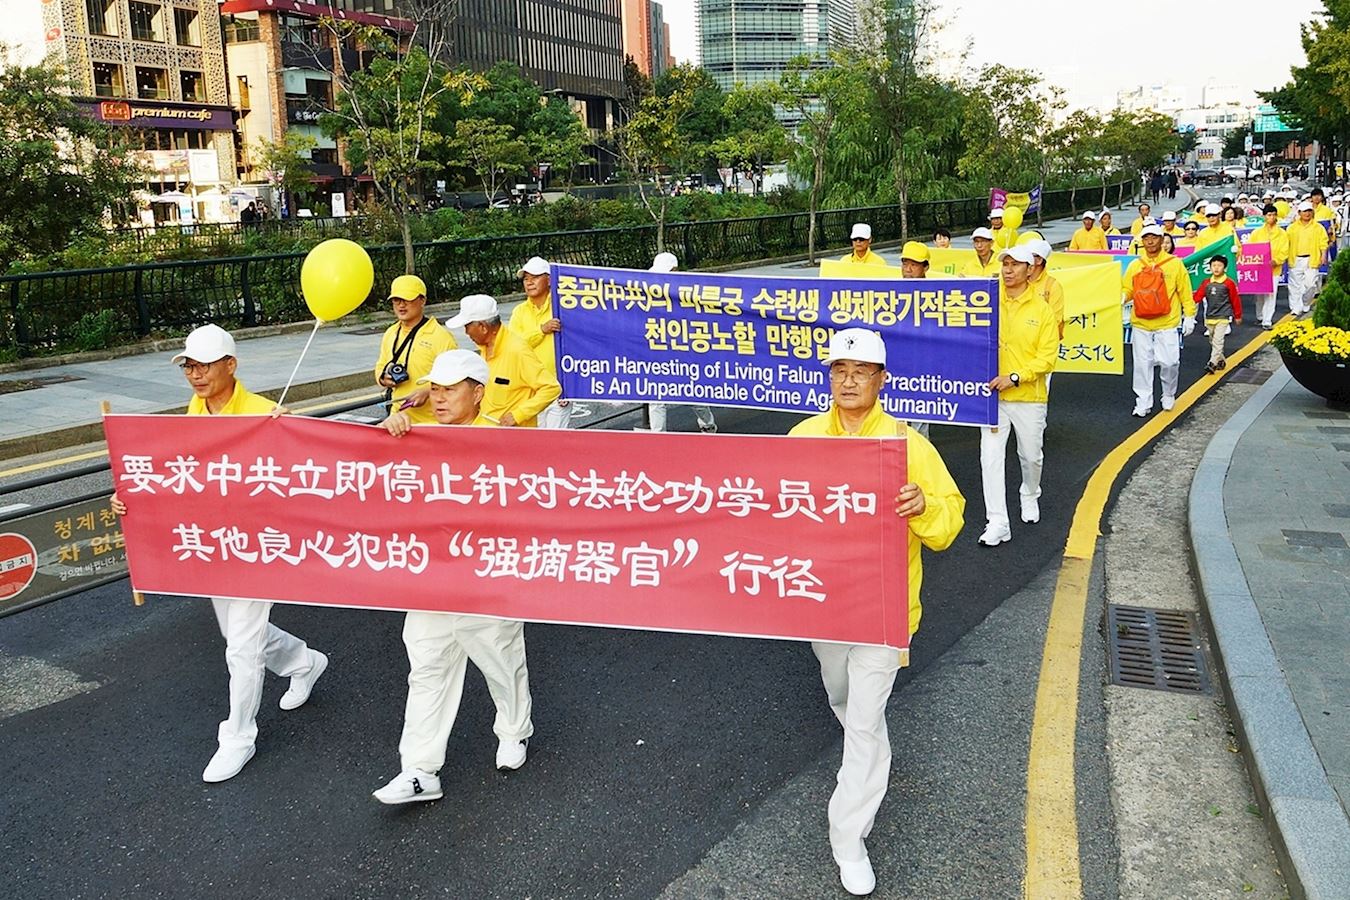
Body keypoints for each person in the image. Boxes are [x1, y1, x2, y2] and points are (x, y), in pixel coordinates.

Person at [109, 325, 327, 783]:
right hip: (214, 547)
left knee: (242, 649)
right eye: (189, 365)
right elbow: (171, 479)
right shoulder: (186, 421)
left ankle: (238, 738)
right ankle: (304, 661)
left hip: (259, 548)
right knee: (237, 635)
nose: (196, 374)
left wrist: (293, 434)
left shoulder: (267, 413)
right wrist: (130, 497)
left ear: (231, 364)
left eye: (205, 365)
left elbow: (307, 478)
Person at [789, 327, 964, 896]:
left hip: (884, 609)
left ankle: (849, 837)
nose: (848, 381)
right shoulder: (803, 437)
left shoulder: (907, 445)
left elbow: (949, 523)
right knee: (843, 698)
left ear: (881, 380)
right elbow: (769, 509)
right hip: (823, 602)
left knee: (864, 723)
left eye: (860, 372)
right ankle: (863, 738)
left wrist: (924, 505)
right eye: (839, 370)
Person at [372, 349, 535, 804]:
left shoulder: (504, 441)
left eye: (450, 390)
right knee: (427, 668)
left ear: (477, 393)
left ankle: (514, 731)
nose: (439, 398)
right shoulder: (416, 437)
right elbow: (365, 472)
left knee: (501, 660)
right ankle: (420, 769)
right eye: (436, 389)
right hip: (431, 580)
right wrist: (389, 433)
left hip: (487, 578)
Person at [977, 246, 1058, 546]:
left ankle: (1030, 493)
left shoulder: (1042, 310)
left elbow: (1047, 357)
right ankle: (997, 521)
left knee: (1031, 456)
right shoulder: (988, 301)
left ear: (1030, 269)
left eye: (1015, 265)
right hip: (992, 397)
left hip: (1028, 397)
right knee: (990, 458)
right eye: (1005, 264)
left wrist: (1015, 377)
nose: (1008, 270)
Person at [448, 294, 561, 426]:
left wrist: (518, 415)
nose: (466, 332)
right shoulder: (485, 349)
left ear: (483, 327)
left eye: (467, 326)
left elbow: (551, 388)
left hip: (512, 435)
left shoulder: (517, 350)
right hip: (487, 429)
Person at [1121, 224, 1195, 416]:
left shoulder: (1175, 264)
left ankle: (1168, 393)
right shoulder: (1135, 265)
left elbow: (1185, 291)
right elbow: (1128, 288)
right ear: (1142, 241)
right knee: (1142, 365)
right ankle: (1143, 401)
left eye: (1154, 237)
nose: (1150, 241)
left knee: (1170, 362)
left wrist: (1189, 316)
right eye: (1146, 238)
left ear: (1162, 240)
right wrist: (1123, 296)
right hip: (1141, 322)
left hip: (1167, 322)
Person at [645, 252, 717, 433]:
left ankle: (708, 425)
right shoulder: (651, 292)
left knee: (692, 393)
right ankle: (657, 437)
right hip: (659, 352)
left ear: (675, 271)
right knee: (656, 396)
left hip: (683, 353)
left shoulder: (688, 292)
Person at [374, 275, 459, 422]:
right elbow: (381, 364)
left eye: (407, 299)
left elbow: (455, 379)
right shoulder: (391, 333)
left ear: (422, 300)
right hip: (398, 418)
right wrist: (383, 378)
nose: (401, 305)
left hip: (432, 421)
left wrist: (427, 391)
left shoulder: (441, 336)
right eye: (396, 300)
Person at [507, 256, 576, 430]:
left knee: (554, 441)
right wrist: (541, 331)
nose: (529, 282)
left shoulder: (563, 307)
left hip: (557, 389)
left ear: (549, 280)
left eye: (535, 277)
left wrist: (570, 387)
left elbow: (575, 347)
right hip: (529, 391)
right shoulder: (519, 312)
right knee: (534, 441)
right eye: (526, 278)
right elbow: (513, 345)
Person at [1194, 256, 1242, 374]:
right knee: (1212, 340)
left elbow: (1235, 300)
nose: (1216, 268)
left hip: (1223, 316)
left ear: (1224, 268)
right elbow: (1197, 297)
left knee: (1218, 340)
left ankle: (1212, 363)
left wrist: (1237, 315)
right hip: (1210, 316)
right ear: (1210, 267)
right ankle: (1221, 360)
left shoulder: (1229, 283)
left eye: (1219, 266)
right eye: (1214, 265)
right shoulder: (1206, 283)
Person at [1248, 204, 1291, 329]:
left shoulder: (1282, 233)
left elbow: (1285, 250)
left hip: (1274, 269)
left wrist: (1276, 261)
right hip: (1259, 269)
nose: (1271, 217)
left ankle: (1267, 320)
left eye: (1273, 215)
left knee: (1271, 295)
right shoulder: (1256, 233)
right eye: (1269, 215)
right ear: (1264, 216)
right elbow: (1250, 249)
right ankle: (1260, 316)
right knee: (1259, 295)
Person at [1286, 200, 1330, 316]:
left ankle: (1306, 302)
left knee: (1311, 284)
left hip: (1312, 259)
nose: (1307, 213)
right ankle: (1295, 307)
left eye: (1309, 211)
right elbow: (1286, 243)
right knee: (1294, 286)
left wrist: (1323, 255)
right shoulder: (1291, 228)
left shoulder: (1318, 227)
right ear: (1299, 213)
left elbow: (1323, 243)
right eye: (1304, 211)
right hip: (1295, 259)